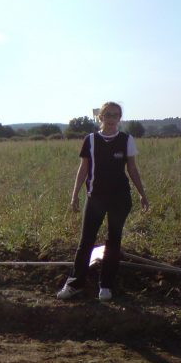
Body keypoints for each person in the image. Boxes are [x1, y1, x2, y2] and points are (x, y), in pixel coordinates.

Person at [57, 101, 149, 302]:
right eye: (108, 115)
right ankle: (75, 284)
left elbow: (132, 169)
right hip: (95, 198)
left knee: (113, 241)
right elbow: (83, 169)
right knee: (86, 242)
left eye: (115, 115)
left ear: (119, 118)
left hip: (120, 198)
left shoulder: (126, 140)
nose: (111, 119)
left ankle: (106, 286)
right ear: (101, 117)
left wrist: (142, 194)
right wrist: (74, 195)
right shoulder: (90, 140)